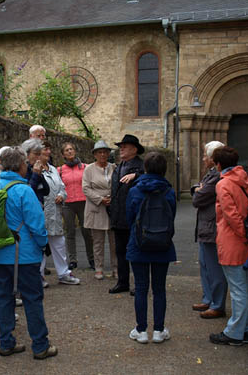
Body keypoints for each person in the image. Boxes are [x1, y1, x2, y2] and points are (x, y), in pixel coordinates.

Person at [0, 146, 57, 360]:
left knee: (3, 298)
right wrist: (42, 244)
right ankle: (40, 345)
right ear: (20, 165)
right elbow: (37, 224)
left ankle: (6, 342)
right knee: (32, 299)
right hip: (24, 254)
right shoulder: (23, 189)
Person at [209, 146, 248, 346]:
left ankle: (234, 333)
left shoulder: (223, 185)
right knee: (247, 288)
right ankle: (246, 329)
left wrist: (242, 235)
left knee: (238, 289)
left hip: (233, 242)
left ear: (219, 164)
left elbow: (231, 216)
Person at [126, 152, 176, 344]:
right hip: (162, 244)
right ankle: (159, 330)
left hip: (139, 244)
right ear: (164, 169)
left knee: (140, 288)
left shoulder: (135, 190)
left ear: (145, 168)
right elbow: (172, 216)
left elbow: (130, 217)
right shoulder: (169, 191)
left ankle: (141, 331)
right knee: (159, 289)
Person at [191, 141, 228, 319]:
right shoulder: (211, 175)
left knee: (214, 268)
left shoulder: (216, 177)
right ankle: (208, 299)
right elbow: (198, 191)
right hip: (206, 226)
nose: (203, 158)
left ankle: (217, 304)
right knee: (205, 265)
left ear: (214, 159)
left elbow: (198, 198)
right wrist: (198, 189)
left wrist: (198, 190)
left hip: (212, 226)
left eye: (206, 155)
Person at [40, 141, 79, 286]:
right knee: (40, 247)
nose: (49, 152)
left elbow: (62, 187)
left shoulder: (53, 169)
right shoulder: (34, 170)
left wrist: (62, 195)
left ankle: (63, 274)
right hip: (41, 214)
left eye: (49, 148)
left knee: (59, 244)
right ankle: (39, 276)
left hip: (55, 214)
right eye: (45, 149)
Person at [109, 134, 145, 295]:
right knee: (120, 251)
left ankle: (139, 284)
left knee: (136, 252)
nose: (121, 149)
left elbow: (150, 178)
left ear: (134, 149)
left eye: (125, 146)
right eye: (120, 146)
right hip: (118, 217)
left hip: (133, 218)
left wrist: (137, 175)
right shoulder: (119, 166)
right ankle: (122, 282)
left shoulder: (141, 166)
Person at [82, 140, 116, 280]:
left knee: (115, 242)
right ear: (95, 154)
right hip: (96, 207)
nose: (102, 154)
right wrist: (100, 199)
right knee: (98, 242)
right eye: (99, 152)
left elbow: (119, 184)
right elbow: (86, 188)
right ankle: (99, 268)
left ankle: (116, 268)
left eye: (105, 152)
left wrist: (113, 198)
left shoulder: (114, 167)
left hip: (112, 208)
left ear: (108, 154)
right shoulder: (89, 169)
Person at [58, 142, 94, 271]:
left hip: (84, 202)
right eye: (66, 150)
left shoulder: (85, 167)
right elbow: (58, 186)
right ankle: (72, 260)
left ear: (75, 151)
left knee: (86, 231)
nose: (69, 151)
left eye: (71, 149)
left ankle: (92, 259)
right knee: (70, 232)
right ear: (63, 154)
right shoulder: (60, 170)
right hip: (68, 204)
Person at [20, 139, 50, 204]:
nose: (39, 157)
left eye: (40, 154)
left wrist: (40, 174)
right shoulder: (22, 170)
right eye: (36, 154)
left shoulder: (33, 168)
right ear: (26, 154)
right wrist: (35, 174)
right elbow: (27, 192)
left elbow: (46, 191)